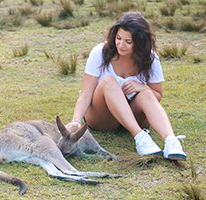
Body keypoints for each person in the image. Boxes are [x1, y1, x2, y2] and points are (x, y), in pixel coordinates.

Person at [66, 12, 187, 161]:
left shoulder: (151, 58)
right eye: (118, 38)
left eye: (128, 42)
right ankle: (140, 138)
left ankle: (171, 141)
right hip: (103, 118)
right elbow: (85, 96)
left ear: (140, 42)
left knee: (147, 94)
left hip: (135, 115)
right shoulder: (100, 52)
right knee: (109, 81)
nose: (121, 45)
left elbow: (157, 97)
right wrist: (76, 121)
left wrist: (143, 87)